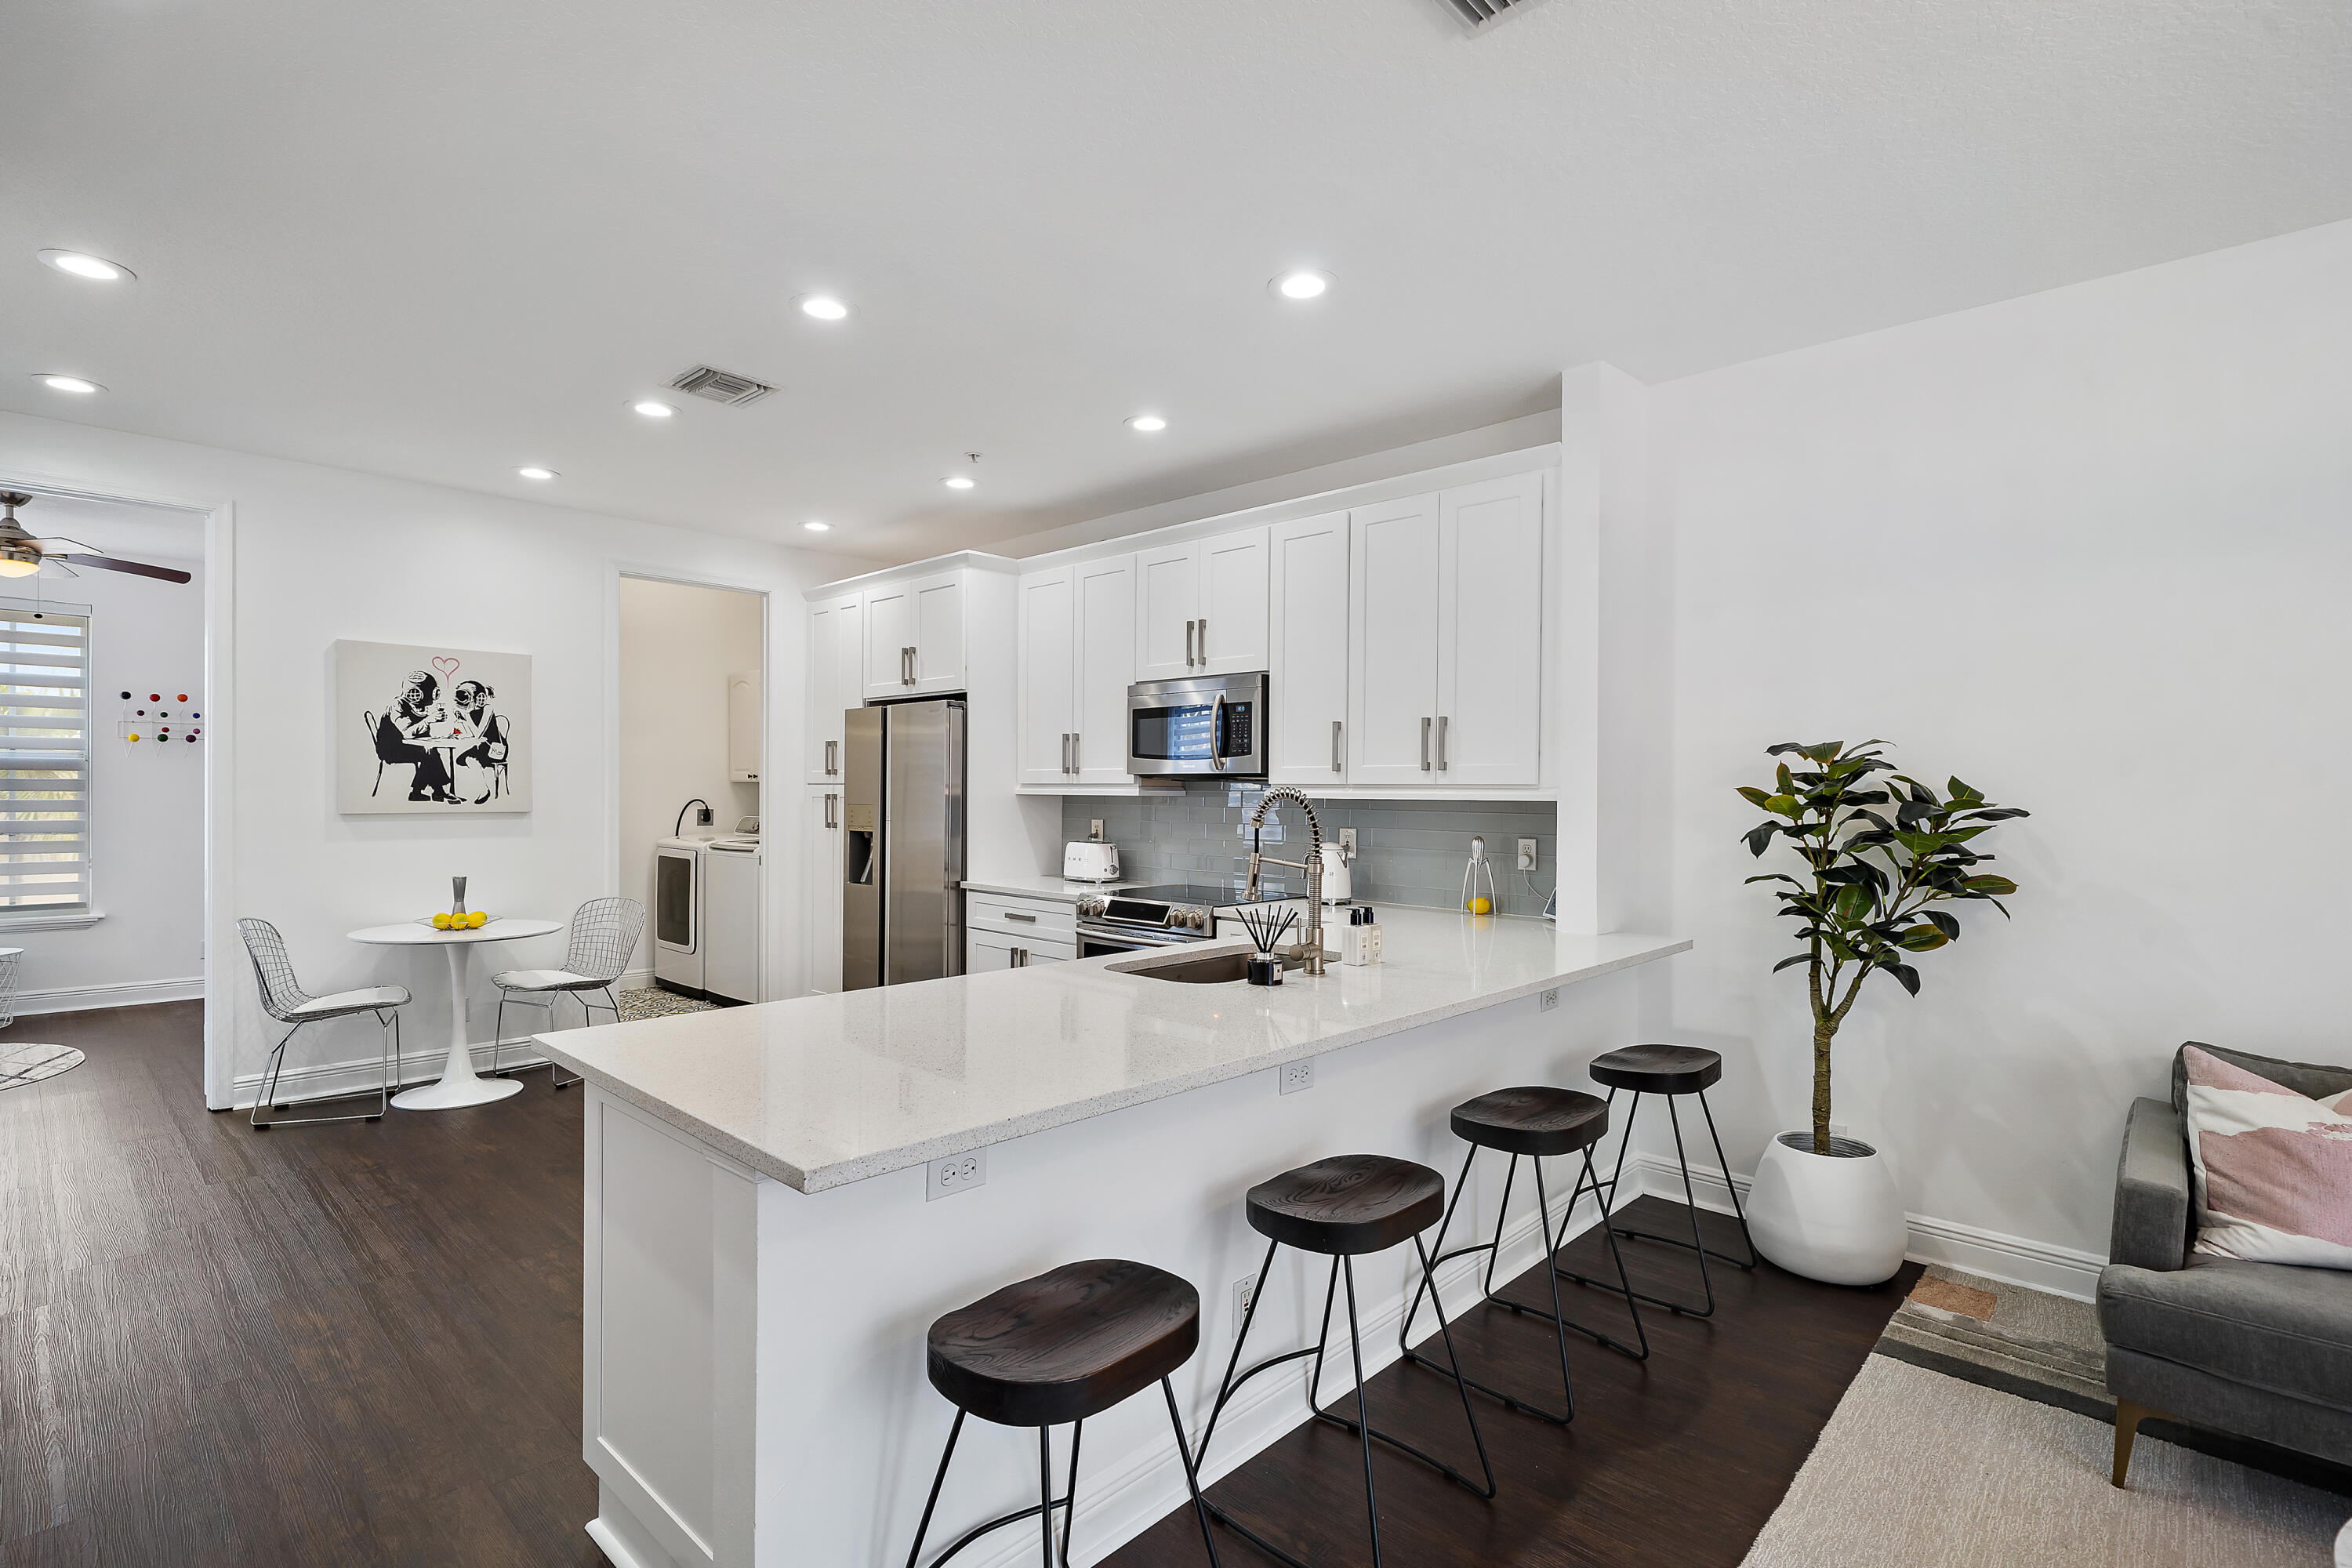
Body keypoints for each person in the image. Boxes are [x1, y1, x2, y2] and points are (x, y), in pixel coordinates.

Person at [374, 670, 454, 802]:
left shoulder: (421, 708)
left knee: (430, 751)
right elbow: (408, 733)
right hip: (391, 749)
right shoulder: (397, 706)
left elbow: (422, 735)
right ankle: (423, 792)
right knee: (429, 753)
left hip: (409, 747)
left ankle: (435, 791)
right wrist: (429, 720)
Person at [450, 679, 510, 802]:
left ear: (479, 697)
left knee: (471, 759)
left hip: (494, 747)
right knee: (464, 759)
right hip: (480, 746)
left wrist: (467, 715)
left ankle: (484, 791)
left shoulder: (488, 709)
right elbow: (470, 733)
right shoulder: (470, 711)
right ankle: (482, 789)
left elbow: (478, 733)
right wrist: (459, 727)